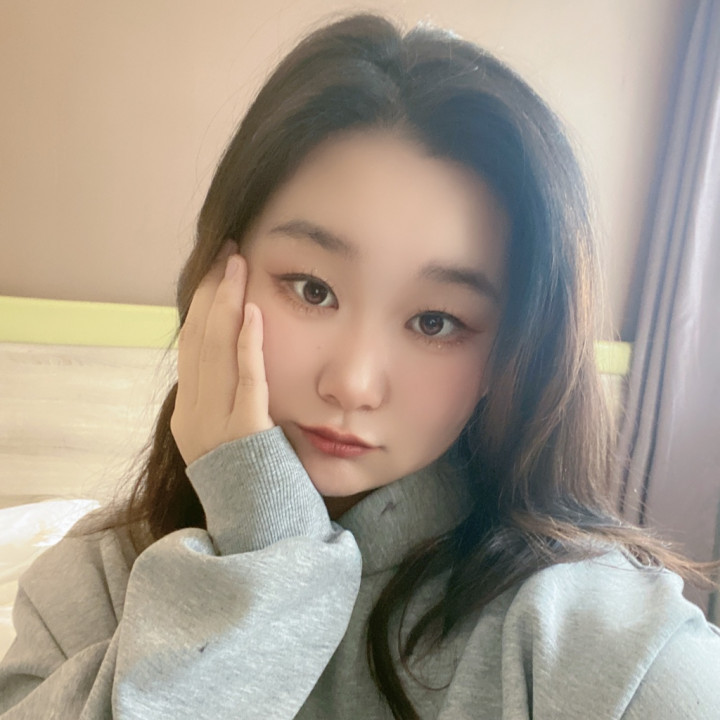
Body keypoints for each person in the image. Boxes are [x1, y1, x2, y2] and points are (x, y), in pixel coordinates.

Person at [1, 11, 719, 720]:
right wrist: (259, 539)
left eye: (436, 322)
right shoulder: (90, 591)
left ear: (508, 355)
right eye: (312, 289)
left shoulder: (590, 638)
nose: (352, 383)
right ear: (216, 281)